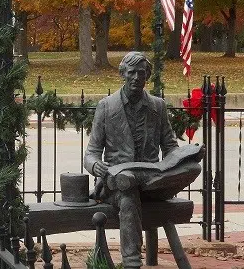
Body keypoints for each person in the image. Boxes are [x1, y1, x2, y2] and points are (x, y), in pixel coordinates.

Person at [84, 51, 203, 268]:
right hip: (117, 185)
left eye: (141, 73)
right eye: (131, 72)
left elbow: (170, 147)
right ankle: (132, 263)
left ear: (147, 76)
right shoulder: (107, 106)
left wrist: (185, 157)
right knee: (128, 195)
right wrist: (96, 165)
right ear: (123, 74)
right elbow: (90, 153)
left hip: (152, 182)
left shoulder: (157, 106)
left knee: (194, 166)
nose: (137, 78)